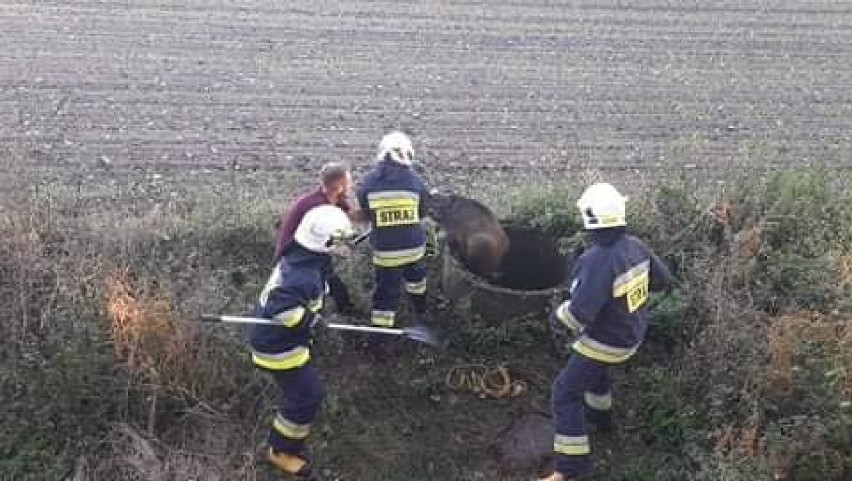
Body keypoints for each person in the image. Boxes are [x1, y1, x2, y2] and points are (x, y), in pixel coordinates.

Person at [541, 183, 673, 481]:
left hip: (605, 343)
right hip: (632, 335)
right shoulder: (636, 246)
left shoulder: (596, 260)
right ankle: (601, 420)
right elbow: (663, 280)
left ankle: (571, 468)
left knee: (564, 392)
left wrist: (555, 318)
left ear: (589, 218)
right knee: (595, 374)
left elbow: (579, 314)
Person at [250, 205, 355, 479]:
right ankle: (280, 450)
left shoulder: (306, 257)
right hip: (279, 347)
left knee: (303, 393)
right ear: (325, 242)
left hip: (288, 340)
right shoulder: (301, 276)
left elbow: (319, 281)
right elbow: (280, 307)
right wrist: (311, 322)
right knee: (307, 396)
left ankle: (285, 443)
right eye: (342, 240)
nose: (347, 245)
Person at [356, 131, 431, 331]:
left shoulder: (368, 182)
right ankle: (421, 313)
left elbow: (367, 211)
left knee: (386, 294)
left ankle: (382, 337)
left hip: (385, 253)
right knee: (417, 282)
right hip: (414, 248)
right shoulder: (416, 181)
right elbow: (423, 212)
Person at [273, 162, 360, 315]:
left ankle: (343, 310)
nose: (351, 185)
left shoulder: (335, 201)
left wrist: (375, 214)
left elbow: (349, 217)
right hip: (298, 252)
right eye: (348, 182)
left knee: (330, 279)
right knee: (316, 283)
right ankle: (314, 318)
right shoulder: (314, 205)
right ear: (339, 185)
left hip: (315, 250)